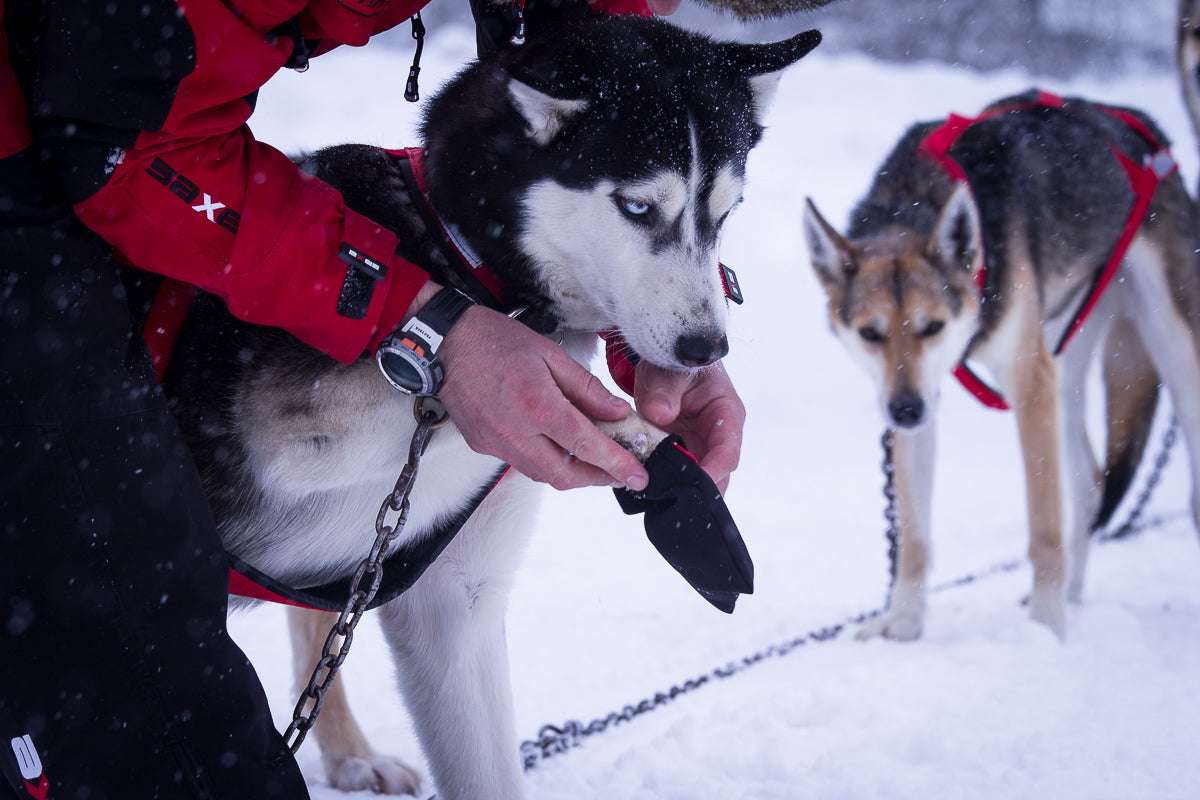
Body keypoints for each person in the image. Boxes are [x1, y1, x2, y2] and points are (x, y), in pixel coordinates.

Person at [0, 0, 744, 797]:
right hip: (49, 146)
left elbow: (581, 69)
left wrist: (649, 327)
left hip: (104, 113)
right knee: (125, 667)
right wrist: (430, 329)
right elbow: (126, 139)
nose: (656, 9)